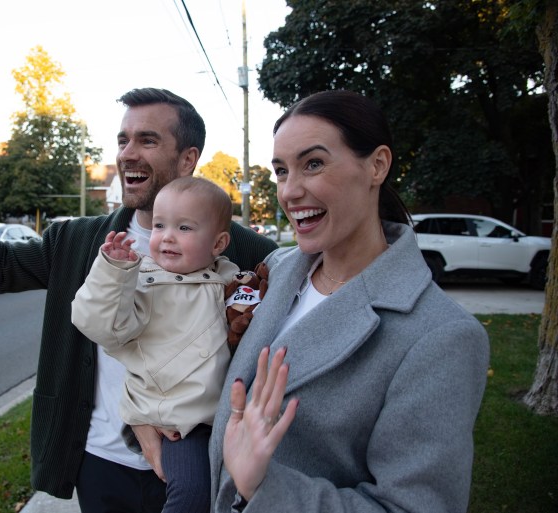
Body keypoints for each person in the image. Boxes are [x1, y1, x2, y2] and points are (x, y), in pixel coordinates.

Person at [0, 88, 278, 513]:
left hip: (199, 458)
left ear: (187, 158)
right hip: (100, 461)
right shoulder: (78, 241)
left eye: (147, 140)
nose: (128, 154)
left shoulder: (247, 253)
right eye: (123, 140)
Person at [206, 90, 490, 512]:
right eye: (282, 171)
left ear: (377, 165)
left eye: (313, 164)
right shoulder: (280, 268)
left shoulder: (441, 337)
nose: (289, 191)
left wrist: (264, 486)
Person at [71, 176, 237, 513]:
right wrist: (113, 273)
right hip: (175, 422)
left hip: (216, 419)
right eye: (159, 226)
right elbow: (99, 324)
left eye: (184, 228)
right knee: (191, 495)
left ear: (218, 244)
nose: (167, 237)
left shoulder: (229, 280)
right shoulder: (144, 280)